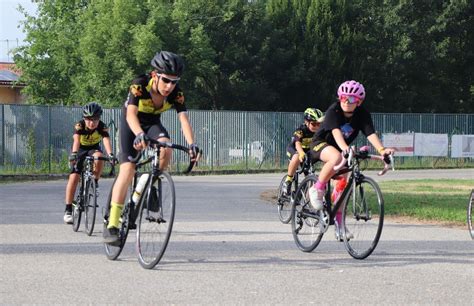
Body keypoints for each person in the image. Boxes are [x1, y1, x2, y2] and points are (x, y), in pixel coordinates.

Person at [103, 51, 200, 244]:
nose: (169, 86)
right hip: (132, 124)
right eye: (166, 80)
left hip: (152, 123)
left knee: (166, 147)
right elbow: (130, 115)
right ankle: (112, 224)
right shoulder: (139, 84)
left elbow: (183, 119)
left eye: (174, 81)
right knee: (128, 169)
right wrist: (139, 134)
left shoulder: (176, 93)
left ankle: (152, 183)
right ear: (155, 75)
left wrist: (192, 144)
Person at [308, 80, 394, 239]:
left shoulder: (363, 114)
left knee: (342, 188)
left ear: (359, 102)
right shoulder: (333, 110)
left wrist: (382, 150)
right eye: (343, 98)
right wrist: (344, 148)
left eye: (352, 99)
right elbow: (335, 132)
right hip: (321, 144)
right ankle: (317, 187)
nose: (347, 102)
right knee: (336, 156)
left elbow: (370, 134)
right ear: (339, 98)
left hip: (342, 150)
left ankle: (339, 225)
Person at [64, 102, 116, 224]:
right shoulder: (79, 126)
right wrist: (74, 153)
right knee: (74, 177)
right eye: (88, 119)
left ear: (99, 119)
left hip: (93, 148)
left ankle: (94, 182)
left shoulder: (102, 126)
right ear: (84, 118)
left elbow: (106, 140)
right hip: (80, 149)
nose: (91, 123)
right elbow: (76, 140)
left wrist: (111, 155)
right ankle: (68, 210)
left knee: (99, 157)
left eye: (95, 120)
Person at [284, 108, 324, 195]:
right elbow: (297, 143)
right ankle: (288, 180)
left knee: (309, 176)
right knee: (296, 157)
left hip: (308, 151)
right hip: (295, 148)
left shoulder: (319, 131)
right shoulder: (301, 130)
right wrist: (301, 152)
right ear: (306, 122)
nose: (317, 127)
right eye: (314, 124)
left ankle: (299, 195)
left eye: (319, 124)